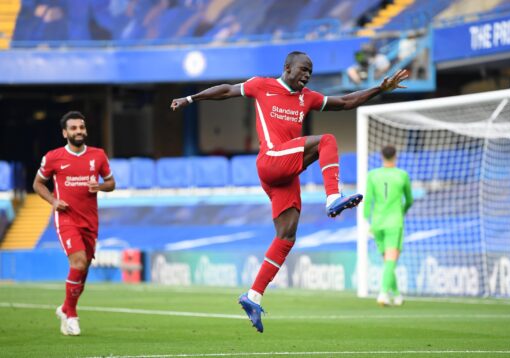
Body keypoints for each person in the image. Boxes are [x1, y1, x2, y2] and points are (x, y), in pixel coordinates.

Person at [170, 51, 408, 333]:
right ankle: (333, 197)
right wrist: (191, 98)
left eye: (310, 71)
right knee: (327, 140)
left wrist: (380, 88)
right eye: (303, 69)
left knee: (286, 236)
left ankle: (254, 295)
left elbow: (345, 102)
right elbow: (227, 90)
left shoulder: (307, 97)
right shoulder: (262, 85)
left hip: (286, 172)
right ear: (287, 68)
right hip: (271, 160)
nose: (307, 75)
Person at [33, 111, 115, 336]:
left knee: (84, 268)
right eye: (73, 128)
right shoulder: (53, 157)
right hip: (66, 217)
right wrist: (53, 200)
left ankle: (66, 308)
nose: (79, 131)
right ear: (64, 132)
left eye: (81, 127)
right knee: (78, 262)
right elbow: (38, 184)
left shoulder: (98, 155)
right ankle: (72, 315)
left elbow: (111, 183)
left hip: (90, 220)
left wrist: (99, 186)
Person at [363, 145, 413, 306]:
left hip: (377, 223)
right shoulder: (402, 175)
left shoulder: (372, 175)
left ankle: (397, 295)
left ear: (381, 156)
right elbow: (409, 200)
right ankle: (383, 293)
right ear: (396, 156)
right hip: (394, 222)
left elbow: (368, 199)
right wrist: (402, 211)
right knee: (391, 260)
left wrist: (365, 221)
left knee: (387, 261)